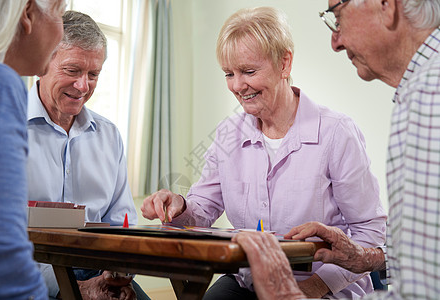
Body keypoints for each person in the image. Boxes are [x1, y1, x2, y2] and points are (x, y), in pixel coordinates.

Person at [141, 6, 387, 299]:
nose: (237, 85)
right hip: (250, 282)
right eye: (229, 74)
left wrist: (314, 287)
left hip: (326, 285)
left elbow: (369, 232)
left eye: (248, 71)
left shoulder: (336, 132)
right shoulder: (228, 134)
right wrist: (179, 206)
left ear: (284, 63)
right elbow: (201, 211)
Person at [234, 0, 440, 299]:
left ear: (386, 5)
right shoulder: (418, 90)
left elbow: (423, 291)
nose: (336, 41)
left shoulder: (429, 94)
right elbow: (427, 250)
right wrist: (362, 257)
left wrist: (299, 294)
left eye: (338, 16)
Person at [26, 10, 149, 300]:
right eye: (72, 71)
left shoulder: (109, 136)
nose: (83, 86)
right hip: (31, 275)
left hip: (99, 271)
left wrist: (116, 275)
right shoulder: (4, 127)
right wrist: (71, 290)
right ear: (42, 64)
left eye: (93, 74)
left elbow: (122, 223)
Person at [0, 0, 65, 299]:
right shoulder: (0, 85)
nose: (62, 31)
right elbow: (2, 256)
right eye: (60, 12)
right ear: (27, 14)